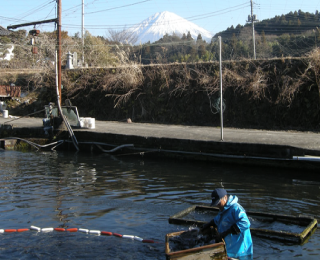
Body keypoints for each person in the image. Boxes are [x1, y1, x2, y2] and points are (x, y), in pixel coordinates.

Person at [201, 188, 253, 259]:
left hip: (241, 252)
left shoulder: (236, 208)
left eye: (218, 203)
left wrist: (226, 232)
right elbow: (218, 219)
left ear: (225, 197)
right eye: (216, 204)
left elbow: (245, 223)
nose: (217, 205)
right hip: (230, 249)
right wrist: (208, 225)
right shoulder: (223, 209)